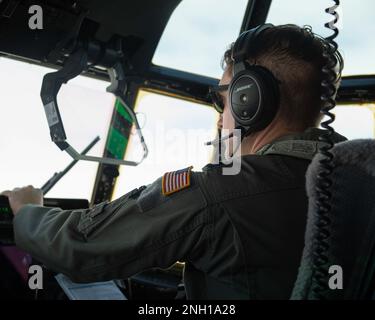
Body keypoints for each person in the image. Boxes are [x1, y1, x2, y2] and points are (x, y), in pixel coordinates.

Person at [1, 24, 347, 299]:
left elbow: (76, 247)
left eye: (221, 99)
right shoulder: (354, 184)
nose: (220, 117)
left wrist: (28, 211)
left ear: (247, 100)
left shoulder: (222, 193)